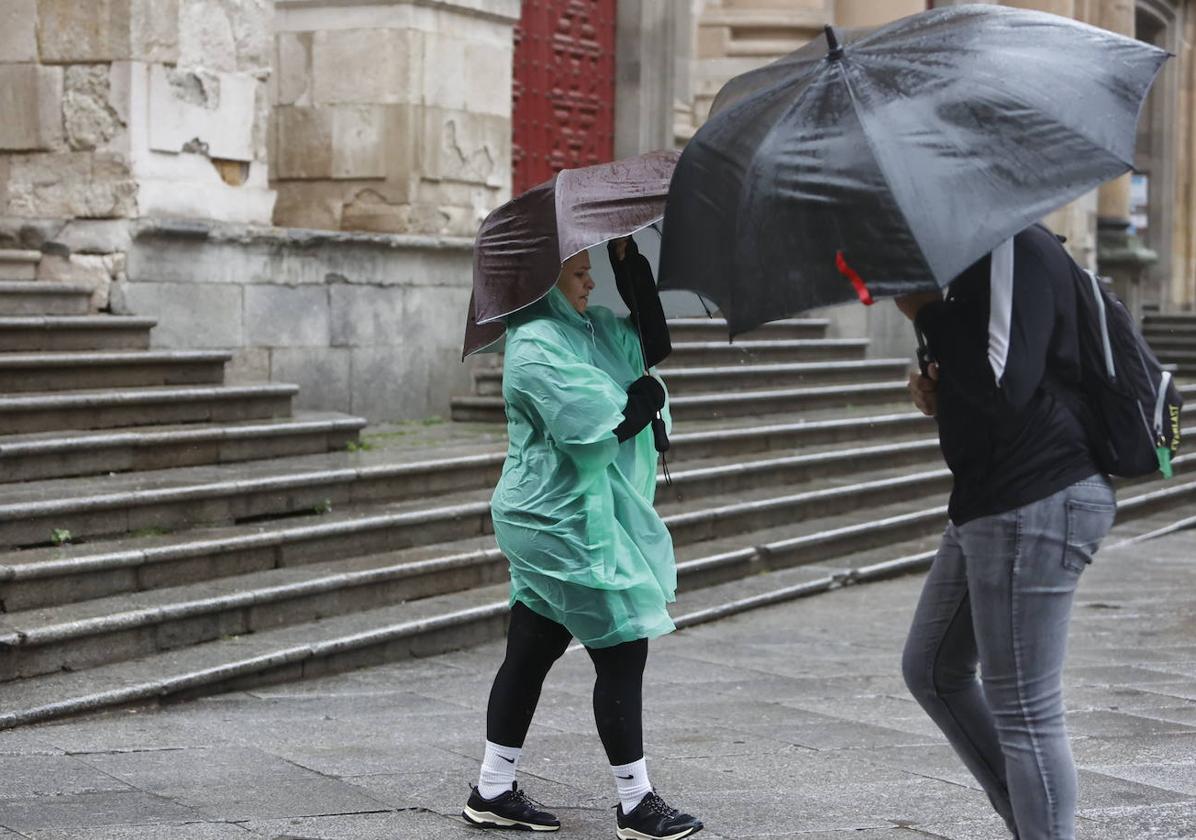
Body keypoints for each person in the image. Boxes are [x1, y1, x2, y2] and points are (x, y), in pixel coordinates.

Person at [462, 237, 703, 839]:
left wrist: (630, 264)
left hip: (578, 514)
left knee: (532, 648)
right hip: (555, 518)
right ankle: (636, 803)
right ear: (543, 283)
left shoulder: (589, 328)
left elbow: (653, 345)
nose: (588, 283)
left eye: (590, 272)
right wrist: (641, 404)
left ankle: (491, 789)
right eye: (576, 274)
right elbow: (595, 422)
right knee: (623, 645)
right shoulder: (534, 346)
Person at [894, 224, 1117, 840]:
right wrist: (940, 392)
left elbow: (1006, 383)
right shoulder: (982, 253)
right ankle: (1032, 823)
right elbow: (1005, 374)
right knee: (933, 668)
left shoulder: (1010, 245)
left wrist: (928, 311)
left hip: (1034, 495)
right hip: (992, 497)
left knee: (1025, 712)